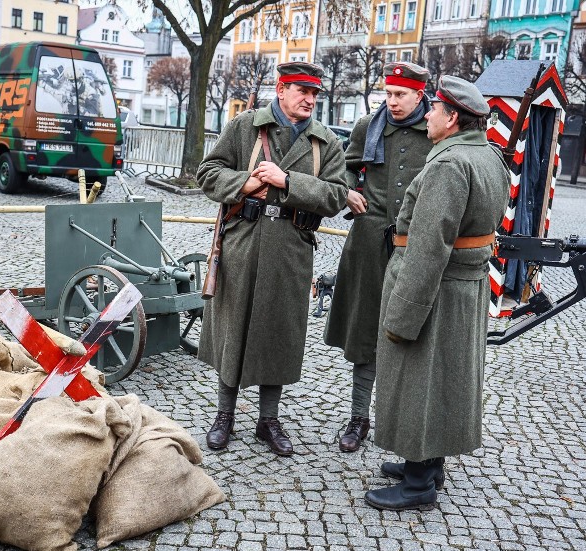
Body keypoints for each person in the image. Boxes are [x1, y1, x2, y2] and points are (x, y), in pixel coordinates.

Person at [366, 76, 510, 511]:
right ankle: (427, 463)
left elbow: (428, 247)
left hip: (436, 289)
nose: (426, 114)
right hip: (462, 287)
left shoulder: (449, 165)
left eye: (434, 109)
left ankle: (417, 485)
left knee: (418, 382)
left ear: (452, 118)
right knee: (442, 382)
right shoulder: (488, 155)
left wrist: (403, 315)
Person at [196, 62, 348, 457]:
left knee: (278, 333)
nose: (310, 100)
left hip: (290, 250)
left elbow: (336, 196)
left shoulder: (325, 141)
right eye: (302, 91)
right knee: (234, 327)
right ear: (281, 90)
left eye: (315, 94)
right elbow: (207, 172)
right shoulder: (246, 127)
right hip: (242, 243)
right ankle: (224, 415)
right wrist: (243, 183)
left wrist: (288, 182)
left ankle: (268, 420)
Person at [323, 62, 433, 452]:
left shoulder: (435, 131)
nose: (393, 102)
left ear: (420, 94)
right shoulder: (368, 128)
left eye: (400, 95)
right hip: (369, 243)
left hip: (416, 247)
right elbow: (345, 169)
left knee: (411, 331)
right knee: (366, 329)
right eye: (388, 94)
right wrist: (349, 192)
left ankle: (402, 419)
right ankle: (358, 418)